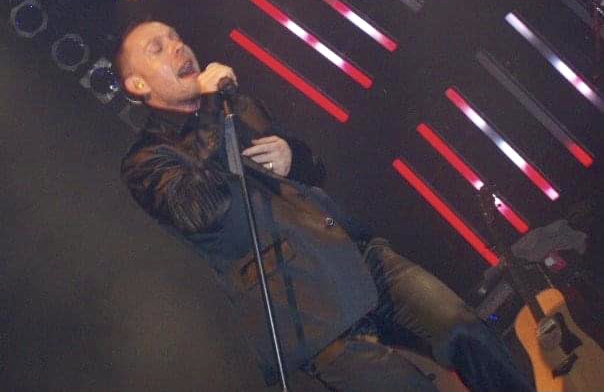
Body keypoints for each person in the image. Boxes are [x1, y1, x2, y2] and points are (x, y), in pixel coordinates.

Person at [117, 20, 533, 392]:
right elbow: (199, 210)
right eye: (158, 48)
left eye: (176, 37)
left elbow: (313, 170)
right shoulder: (146, 160)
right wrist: (211, 107)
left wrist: (292, 156)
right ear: (138, 84)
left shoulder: (238, 105)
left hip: (353, 255)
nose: (178, 46)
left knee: (462, 327)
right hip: (303, 307)